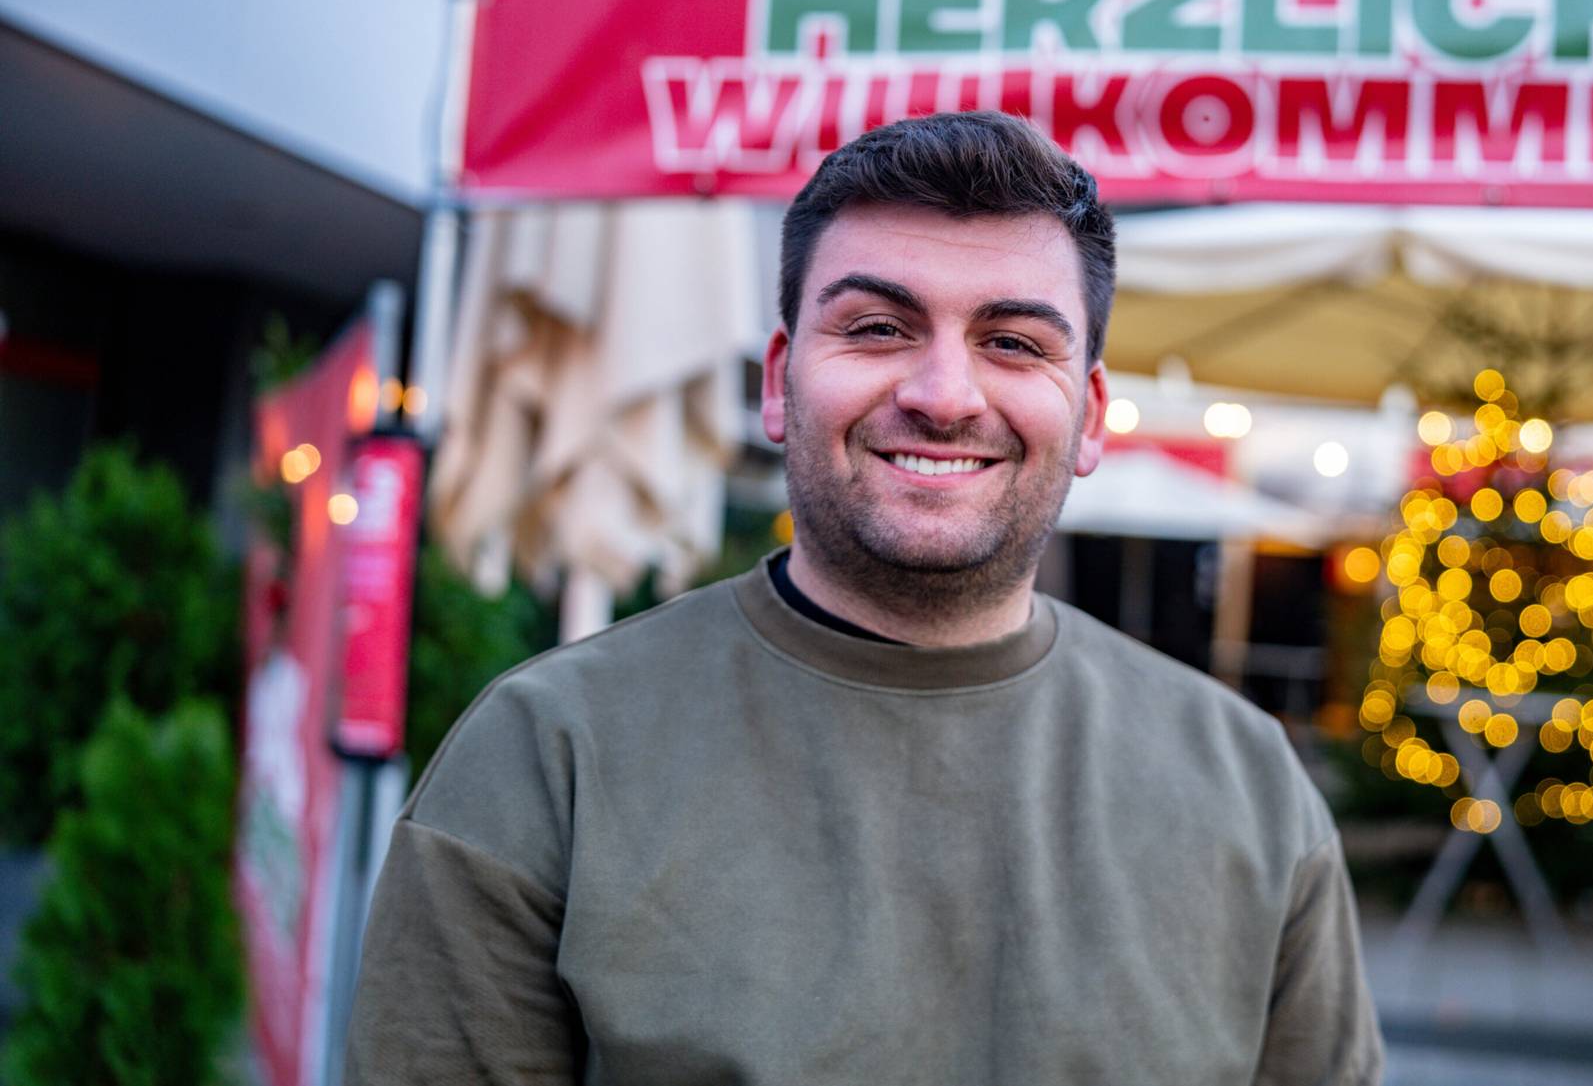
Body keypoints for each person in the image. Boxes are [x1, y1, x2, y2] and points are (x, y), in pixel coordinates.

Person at [345, 112, 1383, 1084]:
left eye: (1014, 341)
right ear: (780, 379)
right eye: (879, 326)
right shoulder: (544, 758)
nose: (943, 393)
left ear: (1094, 413)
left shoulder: (1251, 790)